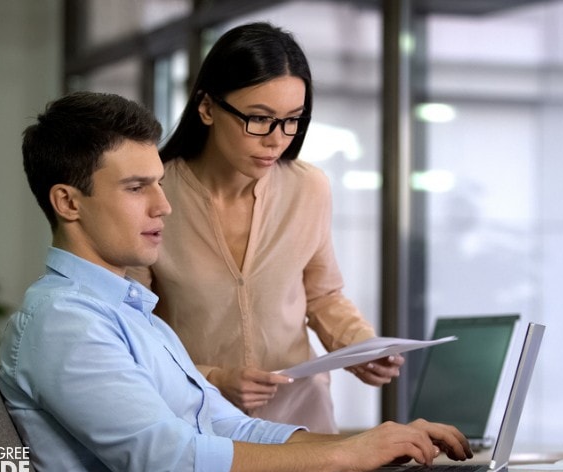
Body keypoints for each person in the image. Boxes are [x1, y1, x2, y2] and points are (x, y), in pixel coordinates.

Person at [0, 90, 473, 472]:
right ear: (68, 202)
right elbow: (175, 467)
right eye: (137, 187)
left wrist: (374, 444)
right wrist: (348, 453)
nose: (163, 206)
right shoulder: (65, 323)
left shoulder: (133, 315)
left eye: (159, 184)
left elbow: (232, 428)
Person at [132, 21, 402, 433]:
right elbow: (133, 327)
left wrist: (360, 347)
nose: (277, 140)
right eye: (258, 119)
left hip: (301, 420)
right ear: (207, 108)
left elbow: (323, 295)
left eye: (292, 119)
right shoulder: (154, 196)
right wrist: (213, 378)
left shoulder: (308, 188)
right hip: (196, 421)